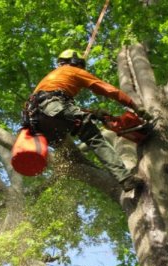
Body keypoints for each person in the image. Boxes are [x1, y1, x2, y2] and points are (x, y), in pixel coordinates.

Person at [23, 49, 146, 191]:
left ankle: (69, 166)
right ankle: (125, 178)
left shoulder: (51, 79)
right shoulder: (74, 71)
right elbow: (108, 90)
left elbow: (63, 110)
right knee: (94, 138)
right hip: (53, 107)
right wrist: (134, 106)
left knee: (73, 139)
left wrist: (95, 113)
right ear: (76, 62)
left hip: (37, 122)